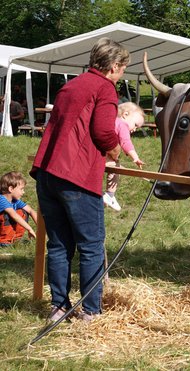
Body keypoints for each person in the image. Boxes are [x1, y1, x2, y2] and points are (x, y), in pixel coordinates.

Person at [30, 37, 127, 322]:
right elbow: (102, 132)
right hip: (75, 176)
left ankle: (58, 307)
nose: (121, 75)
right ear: (113, 66)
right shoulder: (104, 88)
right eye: (121, 69)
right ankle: (90, 311)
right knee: (91, 245)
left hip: (47, 172)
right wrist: (116, 148)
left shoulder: (71, 85)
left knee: (59, 245)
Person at [103, 102, 146, 211]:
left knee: (114, 165)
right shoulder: (122, 125)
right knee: (115, 166)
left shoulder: (110, 120)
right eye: (136, 125)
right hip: (104, 156)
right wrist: (135, 157)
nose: (135, 129)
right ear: (125, 114)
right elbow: (125, 142)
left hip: (100, 153)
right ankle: (109, 195)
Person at [0, 172, 38, 247]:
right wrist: (30, 229)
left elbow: (31, 210)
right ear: (11, 189)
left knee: (23, 212)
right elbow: (14, 215)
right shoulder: (1, 199)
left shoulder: (15, 200)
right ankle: (4, 241)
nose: (23, 192)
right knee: (6, 215)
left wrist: (41, 229)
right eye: (21, 189)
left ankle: (15, 239)